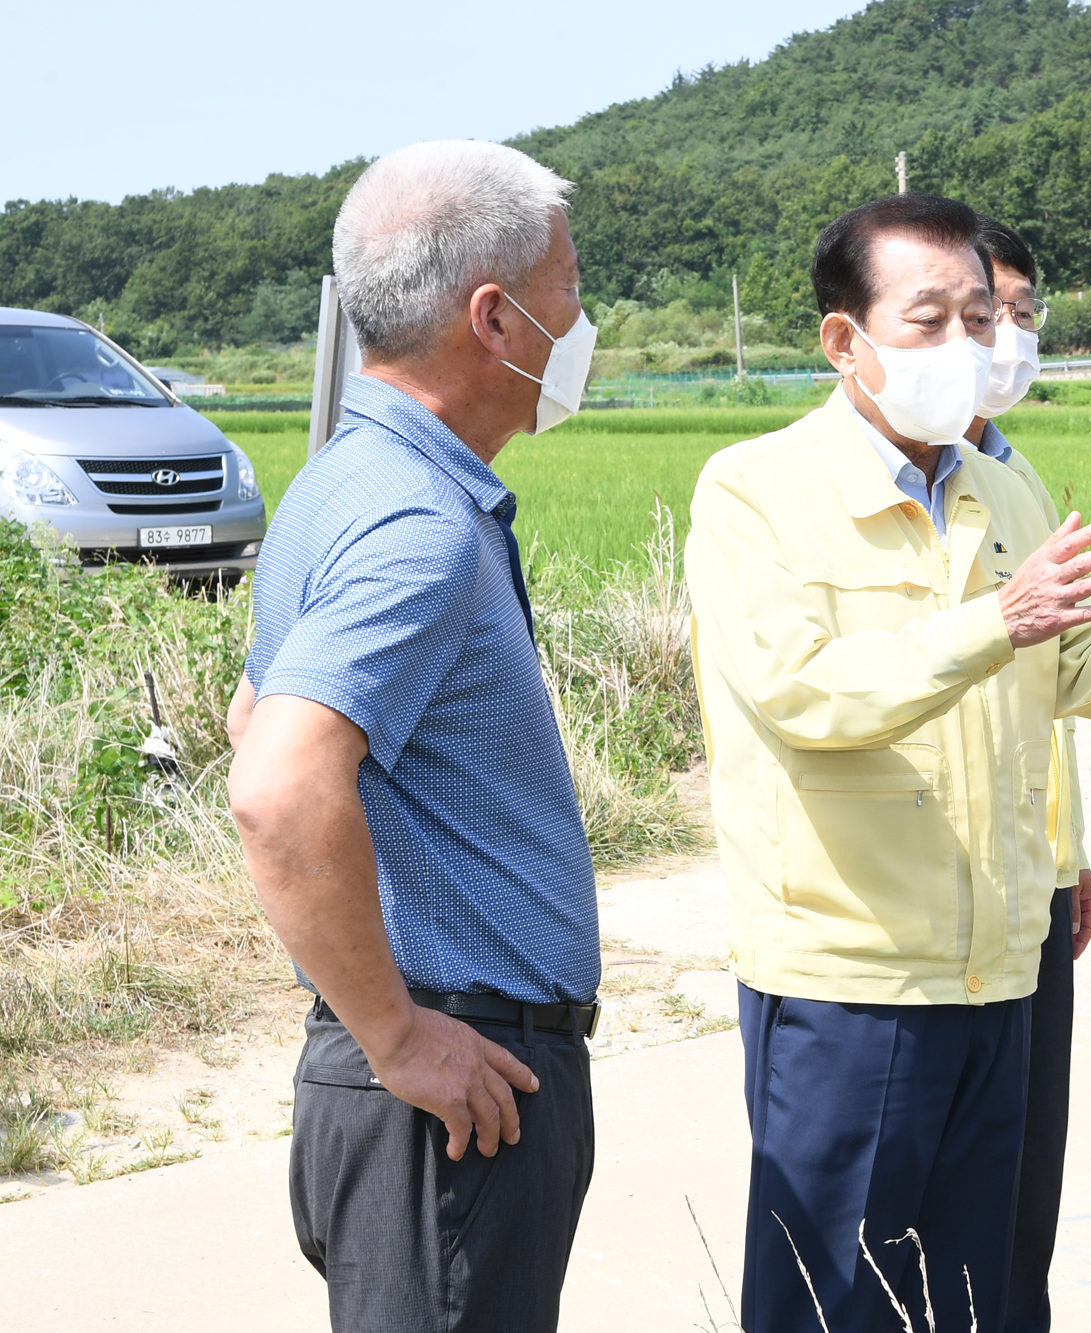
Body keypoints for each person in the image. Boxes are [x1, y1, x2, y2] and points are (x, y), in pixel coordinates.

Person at [685, 192, 1091, 1333]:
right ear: (843, 339)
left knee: (972, 1294)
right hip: (850, 975)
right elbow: (803, 694)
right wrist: (994, 622)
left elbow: (1089, 678)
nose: (964, 345)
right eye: (928, 320)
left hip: (997, 972)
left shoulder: (1004, 487)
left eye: (978, 317)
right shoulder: (755, 490)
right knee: (834, 1302)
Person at [226, 141, 601, 1333]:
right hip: (450, 1085)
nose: (582, 322)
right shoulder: (415, 521)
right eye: (568, 289)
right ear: (494, 318)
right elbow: (279, 783)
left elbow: (249, 714)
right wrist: (395, 1033)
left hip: (424, 1075)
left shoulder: (343, 480)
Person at [962, 213, 1091, 1333]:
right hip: (921, 899)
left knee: (1020, 1181)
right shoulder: (784, 489)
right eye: (978, 313)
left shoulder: (1019, 480)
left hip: (1033, 878)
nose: (1005, 337)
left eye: (1019, 313)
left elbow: (1049, 691)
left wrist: (1072, 850)